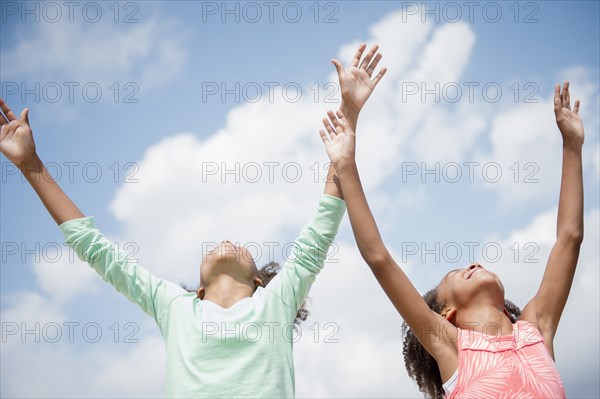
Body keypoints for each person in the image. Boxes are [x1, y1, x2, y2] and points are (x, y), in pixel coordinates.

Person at [0, 43, 386, 398]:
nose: (225, 241)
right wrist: (31, 165)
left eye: (240, 248)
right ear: (197, 290)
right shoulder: (175, 306)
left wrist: (349, 117)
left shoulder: (276, 303)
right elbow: (98, 251)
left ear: (257, 281)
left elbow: (321, 228)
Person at [318, 81, 584, 398]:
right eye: (456, 274)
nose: (473, 264)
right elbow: (378, 257)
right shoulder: (451, 346)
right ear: (447, 314)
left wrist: (572, 146)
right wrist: (346, 166)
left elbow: (570, 237)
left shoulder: (535, 328)